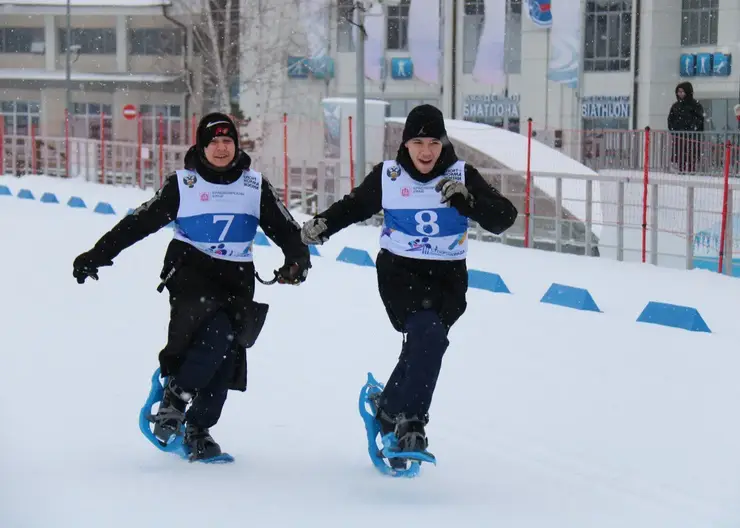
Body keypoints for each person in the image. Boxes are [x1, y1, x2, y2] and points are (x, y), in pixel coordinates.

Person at [72, 113, 311, 461]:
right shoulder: (183, 184)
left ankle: (199, 428)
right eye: (213, 141)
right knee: (217, 332)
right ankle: (177, 394)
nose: (221, 148)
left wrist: (297, 260)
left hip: (237, 275)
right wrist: (97, 254)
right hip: (191, 271)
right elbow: (138, 223)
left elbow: (286, 229)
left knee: (228, 356)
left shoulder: (253, 186)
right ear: (201, 145)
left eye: (227, 141)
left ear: (236, 146)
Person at [300, 104, 518, 462]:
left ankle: (388, 409)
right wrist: (322, 225)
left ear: (443, 142)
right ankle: (411, 422)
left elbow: (503, 218)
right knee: (428, 335)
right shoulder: (389, 175)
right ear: (406, 145)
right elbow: (354, 205)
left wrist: (469, 202)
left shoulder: (462, 174)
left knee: (426, 342)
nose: (426, 151)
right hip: (401, 273)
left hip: (448, 277)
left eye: (433, 141)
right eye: (418, 142)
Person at [667, 81, 705, 173]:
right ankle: (681, 171)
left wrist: (691, 129)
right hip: (679, 137)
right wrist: (674, 130)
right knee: (680, 156)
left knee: (691, 156)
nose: (680, 94)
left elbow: (699, 120)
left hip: (692, 137)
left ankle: (691, 172)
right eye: (678, 92)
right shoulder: (675, 106)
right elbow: (670, 119)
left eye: (682, 92)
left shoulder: (695, 105)